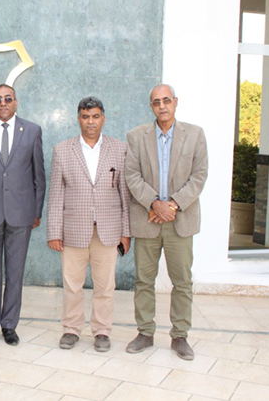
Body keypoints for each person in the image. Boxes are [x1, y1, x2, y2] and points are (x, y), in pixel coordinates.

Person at [124, 84, 208, 361]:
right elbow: (132, 175)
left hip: (179, 221)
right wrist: (154, 203)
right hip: (147, 219)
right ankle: (145, 332)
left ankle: (180, 336)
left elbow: (199, 175)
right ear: (151, 106)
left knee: (182, 282)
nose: (162, 106)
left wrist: (171, 205)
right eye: (156, 102)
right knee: (143, 280)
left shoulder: (194, 134)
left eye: (166, 100)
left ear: (175, 102)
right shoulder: (136, 136)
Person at [46, 96, 131, 352]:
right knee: (72, 285)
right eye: (85, 117)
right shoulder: (63, 150)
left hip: (108, 230)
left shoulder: (120, 149)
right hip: (73, 230)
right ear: (78, 119)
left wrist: (126, 232)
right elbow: (56, 195)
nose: (90, 122)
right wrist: (54, 232)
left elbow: (125, 194)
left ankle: (102, 331)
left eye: (95, 116)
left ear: (103, 118)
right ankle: (71, 329)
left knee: (105, 286)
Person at [0, 84, 45, 346]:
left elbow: (39, 175)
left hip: (21, 214)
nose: (3, 103)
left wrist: (36, 211)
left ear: (16, 102)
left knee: (15, 274)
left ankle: (9, 325)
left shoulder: (33, 130)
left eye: (7, 99)